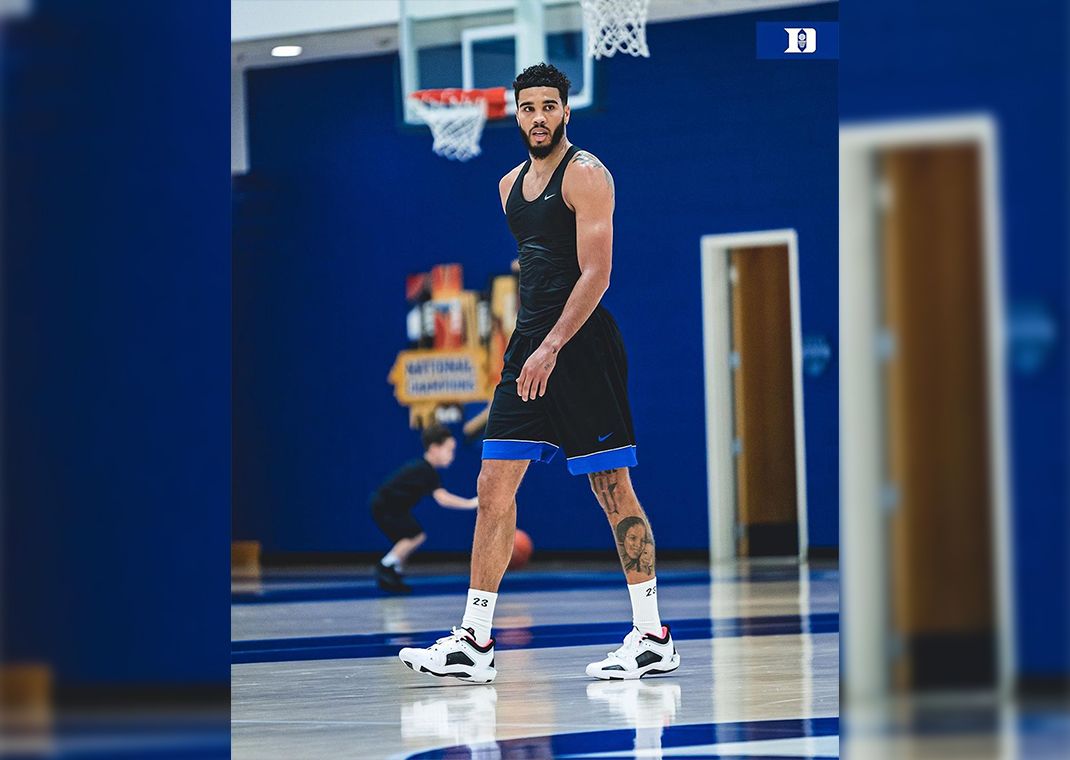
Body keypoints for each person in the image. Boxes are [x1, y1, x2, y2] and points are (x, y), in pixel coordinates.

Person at [399, 63, 679, 682]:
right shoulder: (506, 187)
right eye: (528, 108)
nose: (539, 118)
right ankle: (474, 639)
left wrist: (551, 343)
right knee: (493, 487)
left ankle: (652, 634)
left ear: (565, 112)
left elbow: (596, 273)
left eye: (550, 106)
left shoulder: (588, 174)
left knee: (612, 490)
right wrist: (531, 343)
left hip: (579, 347)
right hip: (529, 348)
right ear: (516, 114)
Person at [371, 423, 477, 593]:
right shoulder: (425, 470)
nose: (452, 456)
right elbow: (443, 499)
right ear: (434, 448)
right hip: (386, 506)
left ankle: (394, 573)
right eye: (449, 450)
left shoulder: (424, 469)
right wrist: (471, 503)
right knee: (415, 535)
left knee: (410, 536)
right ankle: (386, 566)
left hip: (387, 506)